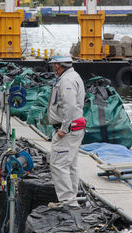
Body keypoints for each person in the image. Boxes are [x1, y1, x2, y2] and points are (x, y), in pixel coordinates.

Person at [47, 56, 86, 209]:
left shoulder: (67, 81)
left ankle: (67, 201)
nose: (53, 68)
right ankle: (71, 200)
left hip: (67, 131)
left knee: (58, 164)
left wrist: (64, 129)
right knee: (71, 164)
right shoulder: (73, 76)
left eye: (54, 65)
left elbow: (69, 106)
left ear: (58, 65)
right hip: (75, 128)